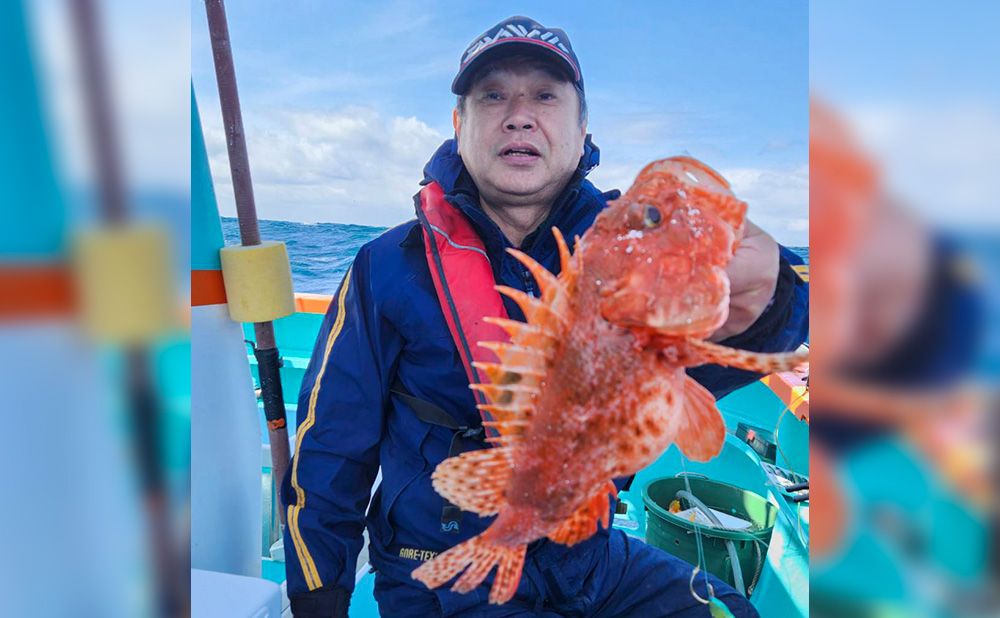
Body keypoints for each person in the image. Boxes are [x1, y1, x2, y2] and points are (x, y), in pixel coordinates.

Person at [282, 16, 808, 617]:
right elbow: (330, 449)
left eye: (546, 95)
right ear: (459, 126)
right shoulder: (385, 267)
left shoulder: (633, 239)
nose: (520, 114)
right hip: (440, 570)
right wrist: (319, 595)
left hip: (590, 555)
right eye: (494, 95)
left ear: (583, 130)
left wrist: (772, 296)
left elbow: (763, 335)